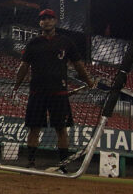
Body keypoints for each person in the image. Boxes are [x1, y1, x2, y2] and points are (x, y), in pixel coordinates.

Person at [12, 9, 94, 173]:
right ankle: (31, 164)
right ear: (40, 23)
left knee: (61, 129)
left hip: (59, 93)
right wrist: (16, 85)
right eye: (43, 19)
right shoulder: (33, 43)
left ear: (55, 21)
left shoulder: (66, 42)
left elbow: (78, 64)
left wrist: (89, 81)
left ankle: (63, 166)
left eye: (49, 18)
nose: (46, 21)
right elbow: (23, 66)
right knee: (34, 128)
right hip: (37, 92)